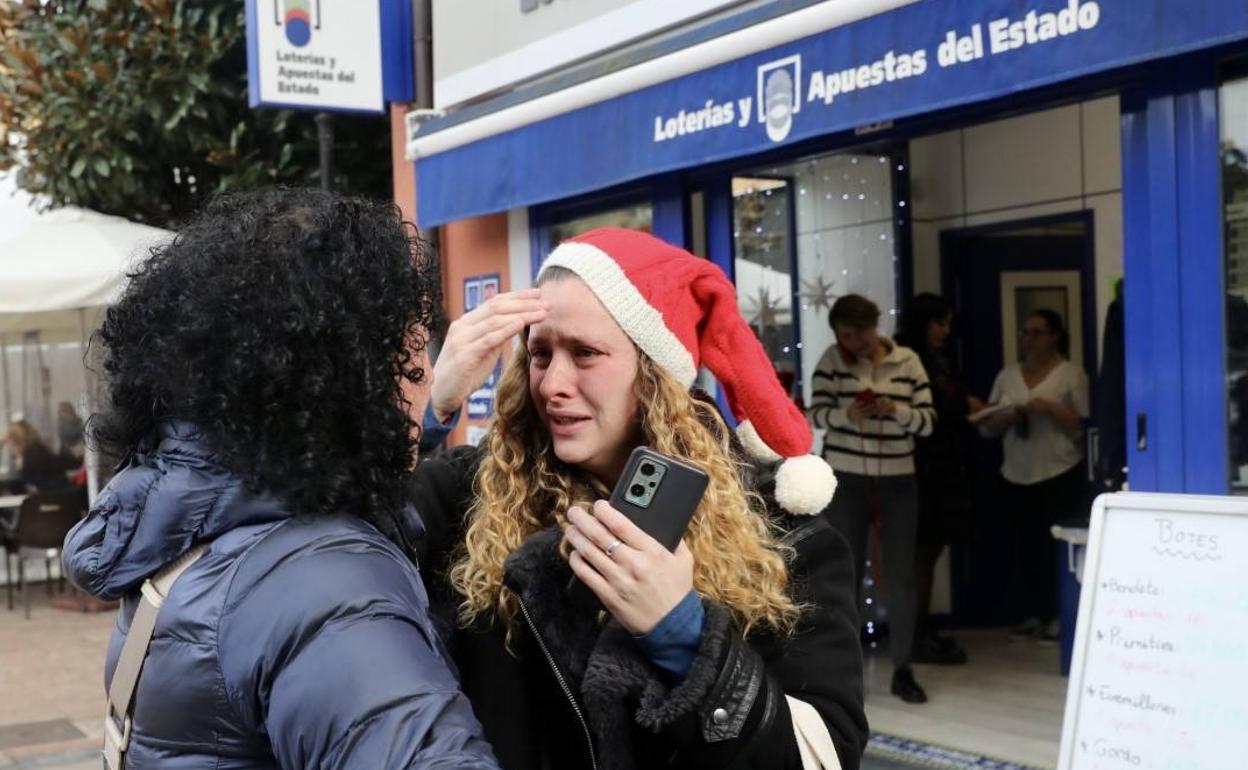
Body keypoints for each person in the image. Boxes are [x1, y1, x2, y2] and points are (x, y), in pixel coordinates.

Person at [61, 189, 500, 769]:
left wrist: (431, 414)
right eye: (413, 353)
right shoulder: (329, 581)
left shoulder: (183, 521)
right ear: (348, 379)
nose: (424, 377)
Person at [411, 228, 869, 770]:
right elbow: (328, 542)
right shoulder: (472, 494)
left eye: (585, 353)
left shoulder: (784, 534)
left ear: (656, 376)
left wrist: (685, 635)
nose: (552, 383)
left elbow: (826, 756)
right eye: (540, 353)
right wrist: (428, 416)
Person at [808, 293, 936, 704]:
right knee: (842, 571)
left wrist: (895, 411)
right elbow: (814, 415)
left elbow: (928, 423)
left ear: (875, 326)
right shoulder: (831, 359)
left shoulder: (908, 361)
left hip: (899, 478)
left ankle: (903, 667)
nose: (855, 344)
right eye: (846, 336)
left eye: (861, 334)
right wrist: (849, 415)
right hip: (845, 476)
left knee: (899, 573)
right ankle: (844, 669)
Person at [978, 309, 1089, 643]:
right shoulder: (1008, 375)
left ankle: (1059, 615)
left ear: (1055, 336)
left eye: (1038, 332)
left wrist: (1051, 409)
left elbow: (1085, 423)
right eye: (1026, 332)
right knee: (1024, 547)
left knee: (1053, 547)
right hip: (1016, 471)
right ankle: (1031, 612)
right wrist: (1005, 417)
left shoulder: (1071, 374)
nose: (1030, 339)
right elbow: (987, 426)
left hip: (1059, 470)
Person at [896, 293, 983, 665]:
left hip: (944, 466)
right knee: (920, 552)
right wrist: (963, 407)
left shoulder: (940, 359)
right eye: (939, 323)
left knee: (930, 551)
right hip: (918, 467)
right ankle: (913, 630)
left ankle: (921, 627)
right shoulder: (905, 359)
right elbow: (930, 408)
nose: (944, 332)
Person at [3, 419, 75, 492]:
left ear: (15, 441)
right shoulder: (35, 449)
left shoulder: (32, 453)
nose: (9, 447)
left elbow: (25, 481)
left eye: (9, 442)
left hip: (55, 495)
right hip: (57, 493)